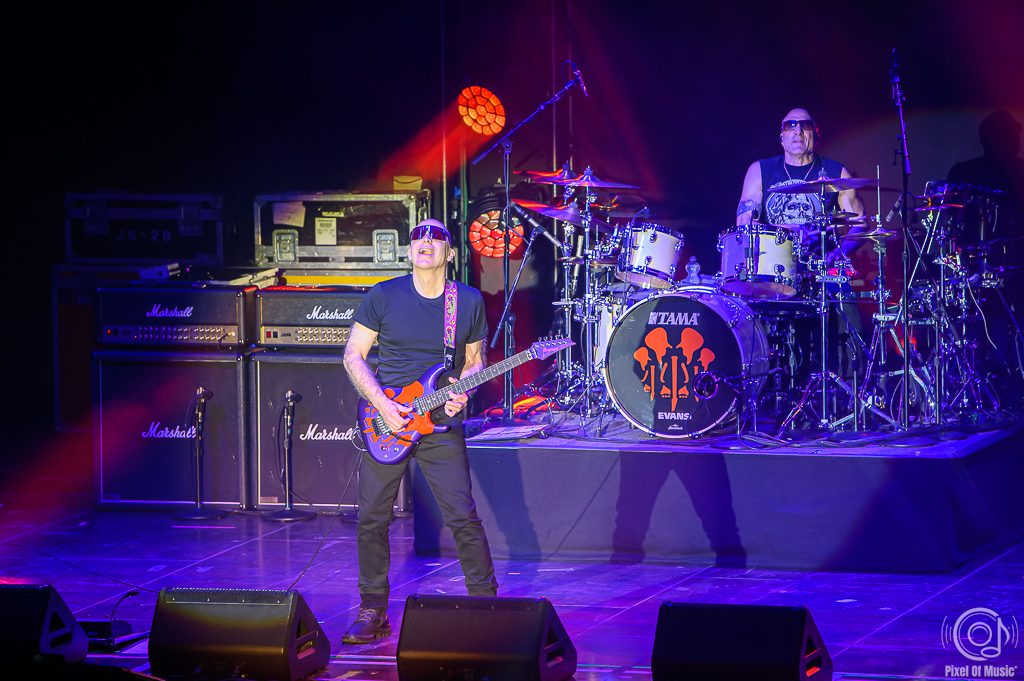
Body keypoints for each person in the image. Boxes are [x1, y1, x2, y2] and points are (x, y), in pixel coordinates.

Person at [341, 218, 498, 644]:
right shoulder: (383, 295)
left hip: (440, 421)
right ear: (409, 251)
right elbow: (353, 355)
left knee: (462, 516)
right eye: (418, 236)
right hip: (388, 421)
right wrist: (382, 404)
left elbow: (475, 361)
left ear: (450, 253)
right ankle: (373, 609)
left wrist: (465, 390)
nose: (425, 240)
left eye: (436, 236)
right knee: (371, 518)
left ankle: (487, 606)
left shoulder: (467, 301)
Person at [735, 108, 870, 399]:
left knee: (848, 313)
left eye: (805, 126)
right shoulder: (761, 170)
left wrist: (837, 255)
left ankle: (847, 395)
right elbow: (745, 219)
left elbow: (861, 223)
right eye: (790, 126)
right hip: (775, 268)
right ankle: (762, 391)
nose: (797, 131)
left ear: (815, 135)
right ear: (781, 137)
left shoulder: (835, 172)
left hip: (821, 268)